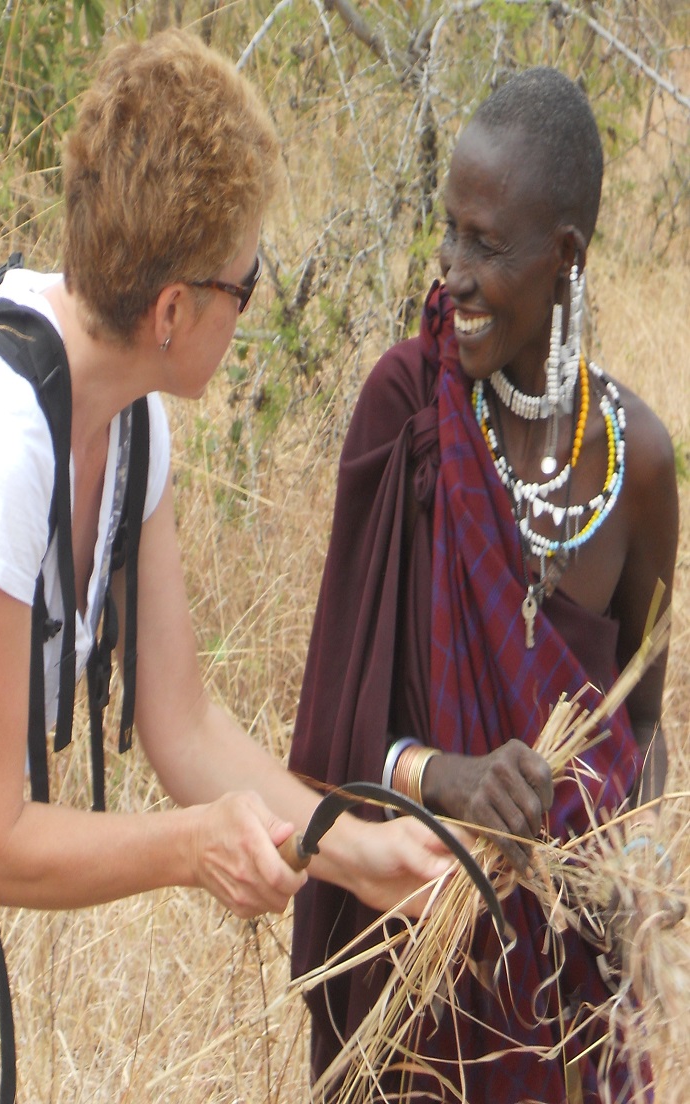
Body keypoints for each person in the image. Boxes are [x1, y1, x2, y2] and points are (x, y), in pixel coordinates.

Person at [0, 30, 454, 1104]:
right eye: (244, 286)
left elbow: (185, 728)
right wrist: (191, 849)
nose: (248, 306)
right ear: (173, 312)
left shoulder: (133, 424)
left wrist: (354, 850)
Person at [289, 67, 677, 1102]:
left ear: (567, 259)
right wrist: (447, 777)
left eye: (485, 244)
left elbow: (642, 728)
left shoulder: (638, 464)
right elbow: (328, 734)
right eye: (448, 231)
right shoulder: (407, 417)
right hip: (413, 968)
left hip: (569, 999)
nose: (451, 273)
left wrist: (632, 876)